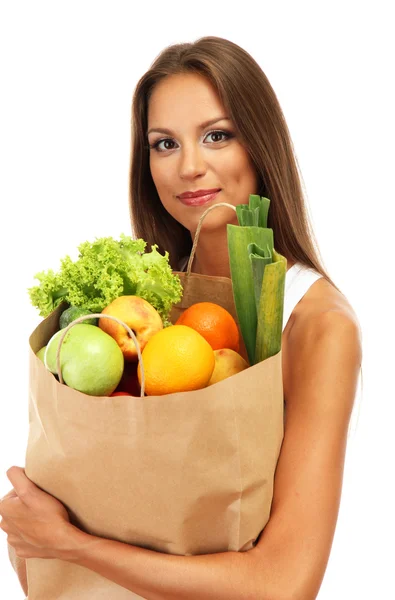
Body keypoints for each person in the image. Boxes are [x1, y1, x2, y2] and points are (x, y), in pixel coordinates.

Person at [0, 36, 362, 599]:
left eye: (218, 136)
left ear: (261, 145)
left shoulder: (317, 325)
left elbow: (284, 585)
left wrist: (72, 545)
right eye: (164, 143)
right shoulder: (132, 310)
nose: (189, 167)